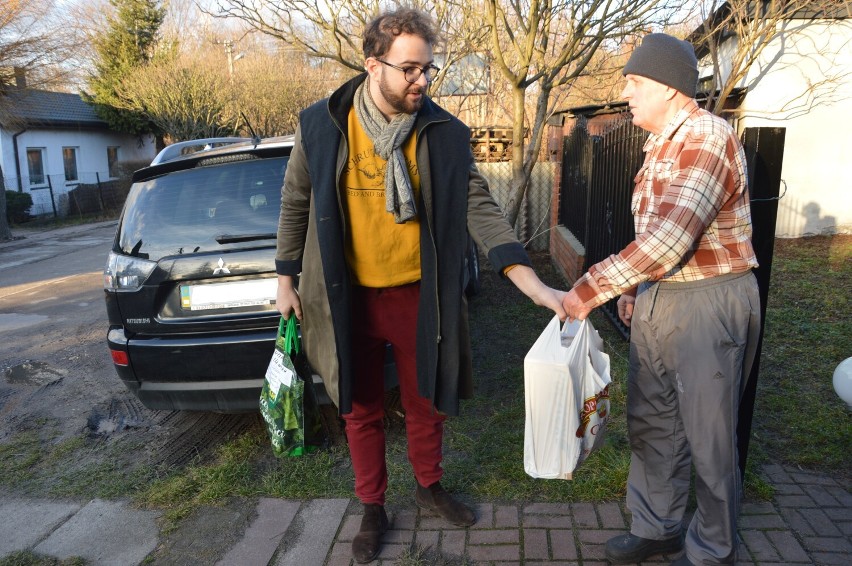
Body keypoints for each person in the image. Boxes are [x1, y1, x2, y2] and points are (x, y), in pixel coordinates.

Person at [275, 8, 567, 564]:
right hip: (346, 297)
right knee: (358, 406)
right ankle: (371, 507)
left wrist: (530, 283)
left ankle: (429, 485)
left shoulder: (444, 133)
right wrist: (285, 280)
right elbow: (295, 202)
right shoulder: (321, 124)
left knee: (425, 400)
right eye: (410, 69)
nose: (422, 81)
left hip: (418, 294)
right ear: (372, 65)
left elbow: (478, 207)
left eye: (427, 69)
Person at [561, 33, 761, 565]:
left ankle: (713, 548)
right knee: (653, 423)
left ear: (669, 88)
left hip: (708, 305)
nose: (625, 93)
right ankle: (658, 528)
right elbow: (659, 239)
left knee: (709, 436)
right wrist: (638, 289)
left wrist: (590, 290)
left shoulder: (706, 137)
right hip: (662, 295)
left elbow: (670, 239)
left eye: (634, 82)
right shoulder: (660, 144)